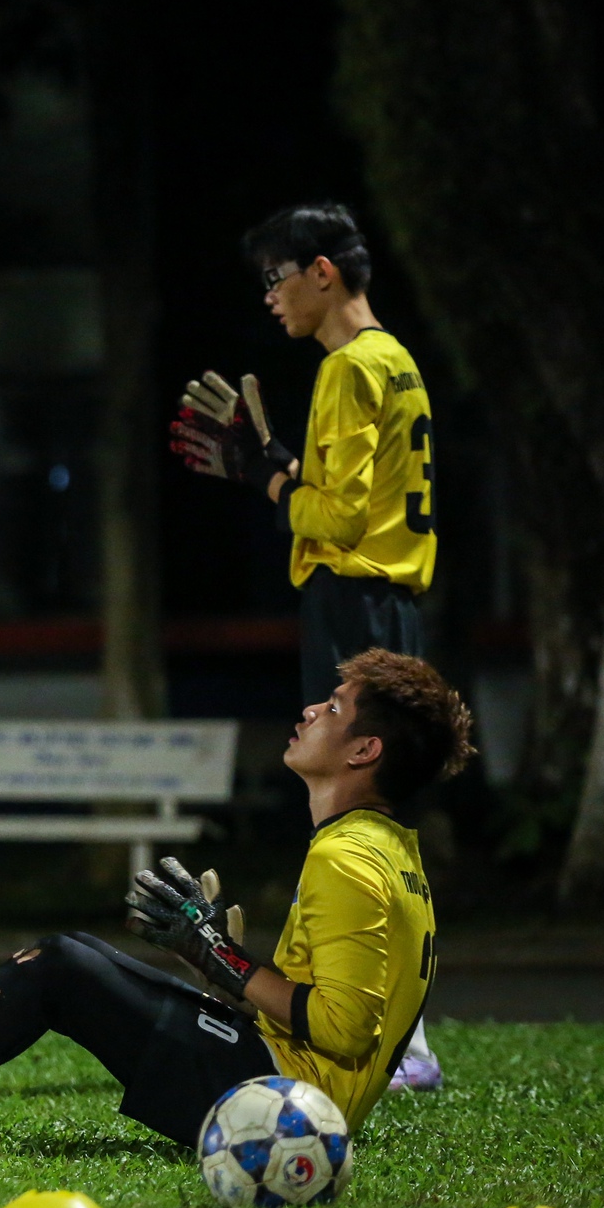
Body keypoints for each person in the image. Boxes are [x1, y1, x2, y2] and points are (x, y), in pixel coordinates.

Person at [0, 649, 472, 1150]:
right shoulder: (390, 851)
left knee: (58, 966)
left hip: (284, 1107)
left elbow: (342, 1030)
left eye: (335, 706)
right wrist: (212, 956)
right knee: (75, 960)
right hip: (297, 1088)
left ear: (363, 751)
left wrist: (215, 951)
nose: (313, 707)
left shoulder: (347, 859)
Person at [167, 201, 446, 1091]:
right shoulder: (397, 359)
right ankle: (404, 1027)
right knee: (385, 811)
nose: (270, 297)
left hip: (354, 600)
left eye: (277, 278)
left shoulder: (346, 370)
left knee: (345, 801)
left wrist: (265, 473)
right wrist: (284, 463)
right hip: (396, 601)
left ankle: (379, 1029)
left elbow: (338, 513)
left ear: (323, 271)